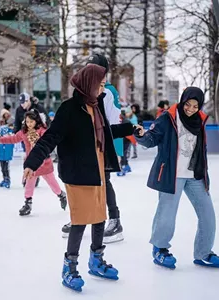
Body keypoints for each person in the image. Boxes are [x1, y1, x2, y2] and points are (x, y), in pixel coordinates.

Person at [22, 64, 137, 292]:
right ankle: (69, 266)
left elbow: (105, 132)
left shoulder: (97, 106)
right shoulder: (69, 109)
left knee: (99, 216)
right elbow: (51, 137)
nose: (103, 89)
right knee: (80, 219)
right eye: (100, 85)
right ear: (88, 84)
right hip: (77, 171)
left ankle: (96, 260)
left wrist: (131, 129)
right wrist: (32, 162)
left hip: (98, 169)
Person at [135, 87, 219, 270]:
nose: (190, 109)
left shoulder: (200, 120)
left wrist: (204, 175)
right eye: (188, 104)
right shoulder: (168, 118)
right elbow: (152, 139)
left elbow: (201, 151)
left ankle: (203, 252)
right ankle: (160, 249)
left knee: (208, 215)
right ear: (182, 102)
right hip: (172, 174)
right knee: (166, 215)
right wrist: (141, 136)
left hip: (195, 176)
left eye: (195, 106)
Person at [61, 53, 126, 244]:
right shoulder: (85, 90)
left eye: (93, 67)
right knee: (84, 182)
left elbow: (112, 122)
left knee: (102, 182)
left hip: (102, 146)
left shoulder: (107, 91)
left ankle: (114, 220)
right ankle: (80, 218)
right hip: (86, 147)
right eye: (87, 66)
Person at [0, 110, 67, 216]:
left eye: (31, 121)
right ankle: (28, 203)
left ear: (36, 121)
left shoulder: (42, 131)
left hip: (43, 163)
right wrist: (0, 140)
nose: (29, 124)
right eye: (27, 122)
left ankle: (61, 195)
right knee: (29, 184)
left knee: (52, 183)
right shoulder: (23, 132)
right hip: (30, 164)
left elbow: (49, 141)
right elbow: (13, 139)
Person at [117, 107, 136, 177]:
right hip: (127, 138)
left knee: (122, 153)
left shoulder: (123, 121)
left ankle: (123, 167)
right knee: (124, 152)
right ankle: (126, 166)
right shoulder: (125, 120)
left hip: (126, 138)